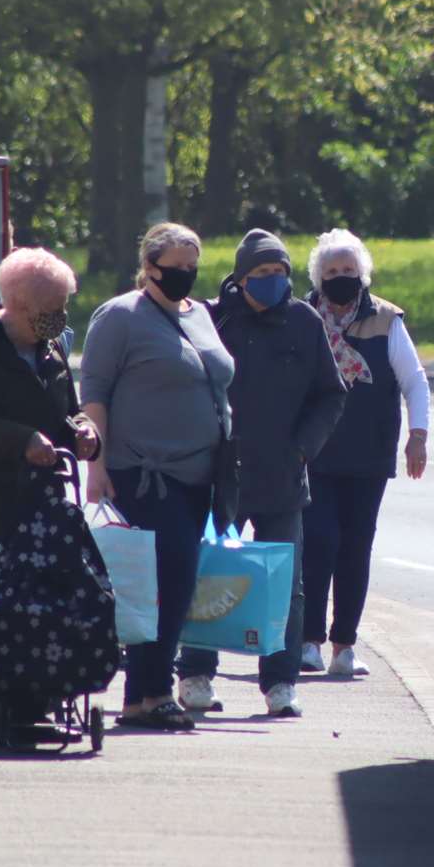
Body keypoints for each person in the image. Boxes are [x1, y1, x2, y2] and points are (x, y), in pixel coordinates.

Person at [177, 229, 346, 718]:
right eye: (262, 274)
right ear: (241, 277)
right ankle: (195, 675)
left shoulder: (304, 321)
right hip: (217, 474)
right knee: (206, 575)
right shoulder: (210, 319)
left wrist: (302, 450)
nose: (273, 282)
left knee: (285, 585)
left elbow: (331, 394)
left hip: (282, 477)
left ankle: (280, 682)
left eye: (280, 273)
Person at [81, 222, 234, 731]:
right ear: (149, 267)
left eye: (193, 267)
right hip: (145, 473)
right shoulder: (120, 317)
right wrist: (95, 465)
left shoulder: (202, 316)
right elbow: (95, 394)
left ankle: (141, 696)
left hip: (200, 474)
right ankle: (152, 691)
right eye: (175, 268)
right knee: (162, 582)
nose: (185, 277)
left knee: (179, 582)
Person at [0, 247, 101, 740]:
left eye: (63, 308)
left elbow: (65, 409)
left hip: (43, 509)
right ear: (14, 303)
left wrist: (81, 431)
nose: (59, 319)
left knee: (46, 604)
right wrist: (21, 441)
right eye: (49, 309)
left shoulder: (51, 348)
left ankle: (36, 698)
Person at [298, 230, 430, 677]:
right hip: (312, 456)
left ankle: (344, 646)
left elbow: (414, 381)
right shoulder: (301, 318)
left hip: (368, 456)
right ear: (318, 277)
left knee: (355, 548)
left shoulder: (387, 320)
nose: (340, 278)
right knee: (319, 544)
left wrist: (418, 435)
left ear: (363, 275)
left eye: (349, 271)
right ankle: (308, 641)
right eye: (332, 272)